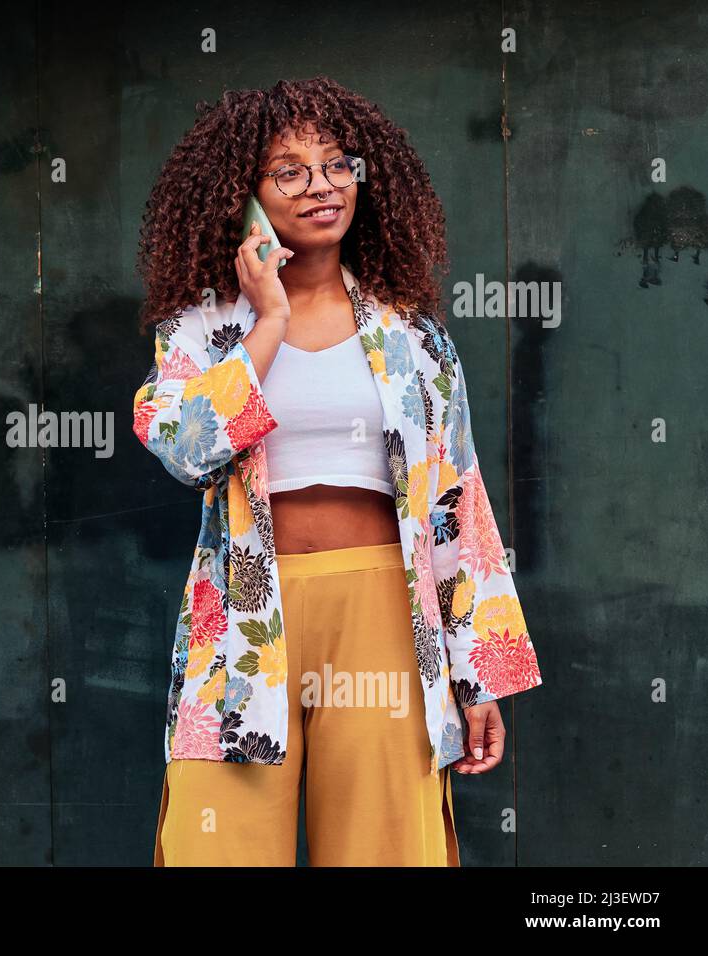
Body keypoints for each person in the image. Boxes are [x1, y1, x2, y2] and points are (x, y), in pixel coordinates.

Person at [131, 77, 544, 866]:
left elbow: (457, 499)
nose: (320, 185)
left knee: (386, 849)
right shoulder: (204, 327)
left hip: (385, 612)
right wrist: (271, 320)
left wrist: (479, 671)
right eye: (288, 170)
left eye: (335, 164)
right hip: (245, 616)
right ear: (242, 197)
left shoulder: (411, 333)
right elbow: (184, 449)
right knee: (215, 847)